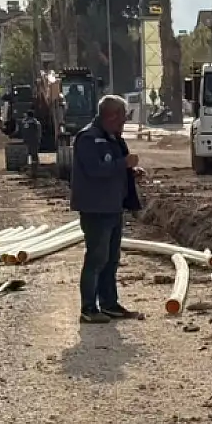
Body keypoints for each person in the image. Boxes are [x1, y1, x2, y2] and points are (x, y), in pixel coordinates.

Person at [70, 94, 143, 323]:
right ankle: (89, 309)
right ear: (112, 116)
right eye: (123, 117)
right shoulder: (88, 138)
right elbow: (95, 169)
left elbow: (111, 167)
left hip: (112, 206)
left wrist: (129, 172)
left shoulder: (111, 137)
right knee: (96, 259)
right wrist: (123, 163)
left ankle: (109, 304)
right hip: (96, 208)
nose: (125, 122)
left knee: (111, 259)